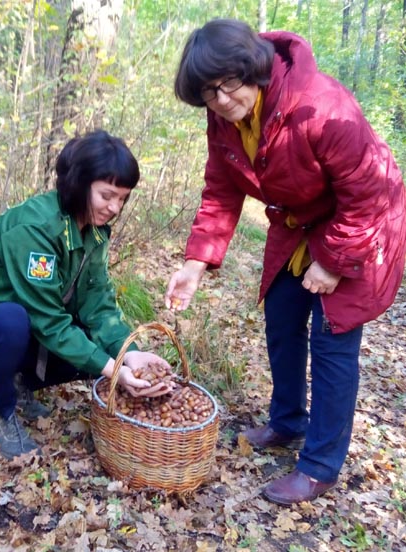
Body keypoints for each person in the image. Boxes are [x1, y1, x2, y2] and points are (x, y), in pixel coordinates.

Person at [164, 19, 406, 504]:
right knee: (281, 319)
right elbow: (221, 190)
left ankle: (320, 466)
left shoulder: (322, 104)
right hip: (297, 225)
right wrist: (194, 264)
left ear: (250, 67)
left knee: (332, 340)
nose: (221, 100)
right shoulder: (223, 121)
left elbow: (371, 192)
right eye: (208, 93)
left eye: (228, 83)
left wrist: (332, 262)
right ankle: (288, 421)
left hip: (359, 227)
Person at [0, 129, 172, 460]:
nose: (115, 207)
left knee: (93, 341)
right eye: (107, 195)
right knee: (10, 319)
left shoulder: (94, 231)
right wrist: (113, 370)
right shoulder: (36, 228)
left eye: (123, 198)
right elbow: (47, 319)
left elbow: (99, 304)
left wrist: (130, 355)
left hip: (13, 333)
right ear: (80, 184)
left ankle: (16, 383)